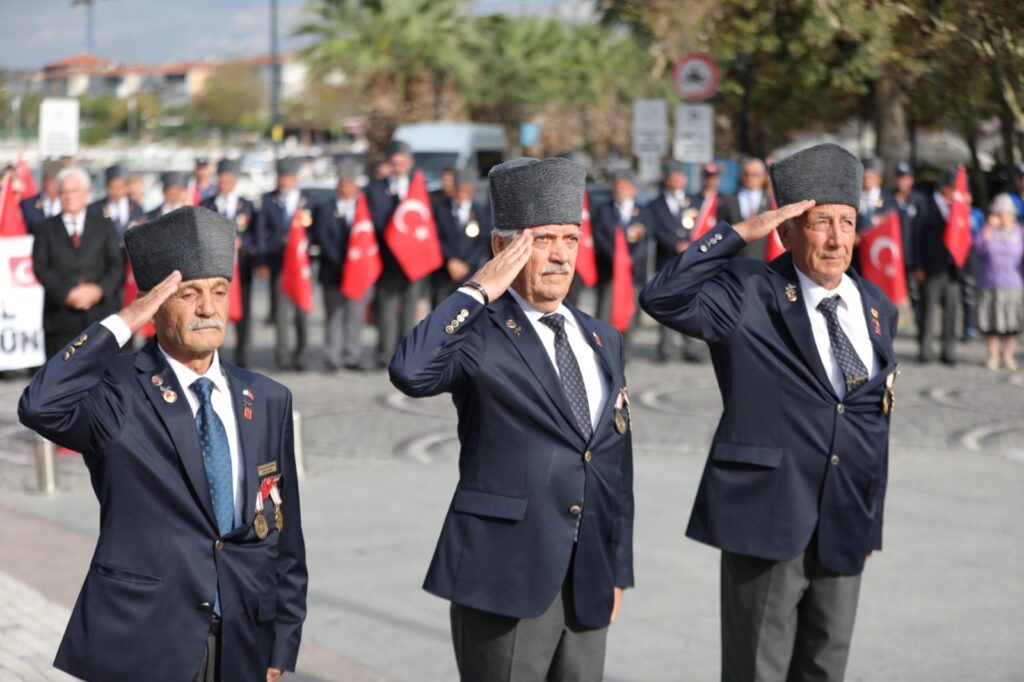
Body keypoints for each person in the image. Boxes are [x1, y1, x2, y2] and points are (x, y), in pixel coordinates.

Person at [641, 143, 899, 682]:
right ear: (785, 231)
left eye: (846, 223)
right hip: (764, 518)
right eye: (819, 222)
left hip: (843, 520)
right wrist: (737, 234)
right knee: (758, 671)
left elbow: (875, 420)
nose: (835, 239)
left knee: (826, 667)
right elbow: (662, 297)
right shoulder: (747, 291)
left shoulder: (876, 306)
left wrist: (868, 518)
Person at [19, 206, 308, 682]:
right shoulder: (116, 390)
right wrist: (122, 322)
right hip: (144, 638)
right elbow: (40, 405)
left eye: (219, 291)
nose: (207, 309)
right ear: (154, 305)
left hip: (242, 637)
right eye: (187, 294)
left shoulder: (268, 397)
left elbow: (285, 531)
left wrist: (284, 635)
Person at [390, 157, 634, 682]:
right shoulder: (479, 331)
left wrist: (618, 565)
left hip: (588, 576)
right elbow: (410, 372)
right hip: (505, 572)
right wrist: (477, 290)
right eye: (543, 239)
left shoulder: (601, 337)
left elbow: (616, 462)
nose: (560, 255)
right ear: (503, 248)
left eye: (571, 238)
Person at [32, 166, 123, 359]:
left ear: (86, 194)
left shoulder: (104, 226)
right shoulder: (44, 229)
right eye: (64, 191)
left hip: (100, 317)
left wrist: (99, 291)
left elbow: (116, 265)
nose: (69, 196)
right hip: (60, 319)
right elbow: (41, 267)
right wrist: (67, 294)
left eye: (74, 191)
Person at [367, 140, 426, 366]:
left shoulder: (418, 187)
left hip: (413, 261)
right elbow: (377, 220)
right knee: (387, 308)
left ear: (409, 163)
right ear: (389, 163)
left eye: (403, 162)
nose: (399, 166)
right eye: (395, 162)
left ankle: (406, 354)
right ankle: (385, 353)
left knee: (410, 307)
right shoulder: (376, 189)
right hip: (388, 260)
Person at [310, 159, 369, 371]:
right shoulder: (325, 208)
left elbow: (368, 238)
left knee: (355, 313)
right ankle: (332, 356)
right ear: (338, 186)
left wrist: (355, 264)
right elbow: (321, 237)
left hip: (358, 272)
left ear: (356, 187)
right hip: (332, 270)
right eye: (343, 185)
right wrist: (340, 262)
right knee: (333, 315)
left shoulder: (364, 208)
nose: (346, 189)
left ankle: (352, 355)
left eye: (350, 185)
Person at [201, 159, 258, 367]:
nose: (224, 183)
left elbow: (255, 234)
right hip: (214, 273)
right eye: (222, 180)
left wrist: (244, 243)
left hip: (241, 269)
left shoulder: (247, 205)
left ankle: (243, 358)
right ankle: (215, 358)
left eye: (228, 180)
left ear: (234, 181)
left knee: (244, 315)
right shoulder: (207, 205)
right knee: (214, 314)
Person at [255, 157, 311, 371]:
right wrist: (261, 260)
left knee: (301, 312)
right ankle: (282, 356)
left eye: (289, 177)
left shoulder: (307, 200)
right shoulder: (269, 200)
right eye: (282, 177)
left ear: (296, 178)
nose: (285, 180)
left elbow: (315, 231)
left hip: (301, 266)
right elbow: (261, 232)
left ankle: (302, 355)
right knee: (280, 312)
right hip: (279, 263)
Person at [648, 160, 704, 362]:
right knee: (665, 303)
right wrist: (674, 244)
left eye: (680, 177)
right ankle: (666, 349)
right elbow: (654, 230)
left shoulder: (696, 201)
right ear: (666, 180)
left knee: (689, 303)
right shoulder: (655, 205)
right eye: (672, 178)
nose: (676, 181)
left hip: (691, 263)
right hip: (667, 261)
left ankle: (692, 348)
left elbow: (702, 226)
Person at [913, 169, 962, 364]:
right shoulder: (926, 206)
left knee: (951, 312)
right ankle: (925, 349)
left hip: (952, 269)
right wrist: (918, 266)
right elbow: (916, 238)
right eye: (952, 189)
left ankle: (948, 349)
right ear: (944, 188)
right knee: (928, 311)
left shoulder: (959, 209)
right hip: (930, 267)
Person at [593, 169, 650, 331]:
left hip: (633, 272)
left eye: (624, 187)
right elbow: (599, 236)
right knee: (604, 312)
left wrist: (631, 260)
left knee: (629, 314)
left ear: (634, 190)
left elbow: (646, 240)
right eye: (617, 187)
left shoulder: (643, 212)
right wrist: (615, 257)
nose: (620, 190)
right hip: (609, 270)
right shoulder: (604, 210)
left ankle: (626, 352)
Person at [975, 193, 1023, 371]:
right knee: (991, 323)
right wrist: (988, 228)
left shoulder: (1020, 231)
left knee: (1012, 324)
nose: (1002, 216)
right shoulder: (988, 231)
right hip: (990, 283)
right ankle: (993, 355)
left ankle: (1008, 356)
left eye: (1005, 213)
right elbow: (978, 250)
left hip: (1013, 284)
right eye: (998, 212)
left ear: (1012, 214)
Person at [432, 167, 492, 305]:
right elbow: (436, 238)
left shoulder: (480, 211)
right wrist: (450, 260)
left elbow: (483, 242)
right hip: (444, 272)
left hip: (469, 273)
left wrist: (466, 264)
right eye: (458, 189)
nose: (461, 194)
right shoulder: (440, 209)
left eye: (465, 190)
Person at [719, 157, 772, 259]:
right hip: (734, 260)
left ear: (764, 177)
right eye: (746, 174)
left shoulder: (770, 202)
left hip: (762, 262)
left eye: (755, 175)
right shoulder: (729, 200)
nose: (750, 178)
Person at [893, 161, 924, 323]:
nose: (902, 181)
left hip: (912, 258)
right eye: (899, 178)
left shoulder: (919, 201)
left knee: (916, 297)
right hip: (892, 258)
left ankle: (920, 329)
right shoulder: (887, 200)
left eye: (905, 178)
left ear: (911, 180)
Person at [87, 164, 144, 242]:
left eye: (119, 187)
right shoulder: (95, 208)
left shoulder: (137, 208)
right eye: (112, 187)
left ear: (126, 187)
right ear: (106, 187)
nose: (116, 192)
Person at [20, 160, 63, 233]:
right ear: (44, 182)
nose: (56, 187)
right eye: (52, 182)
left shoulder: (69, 203)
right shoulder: (27, 205)